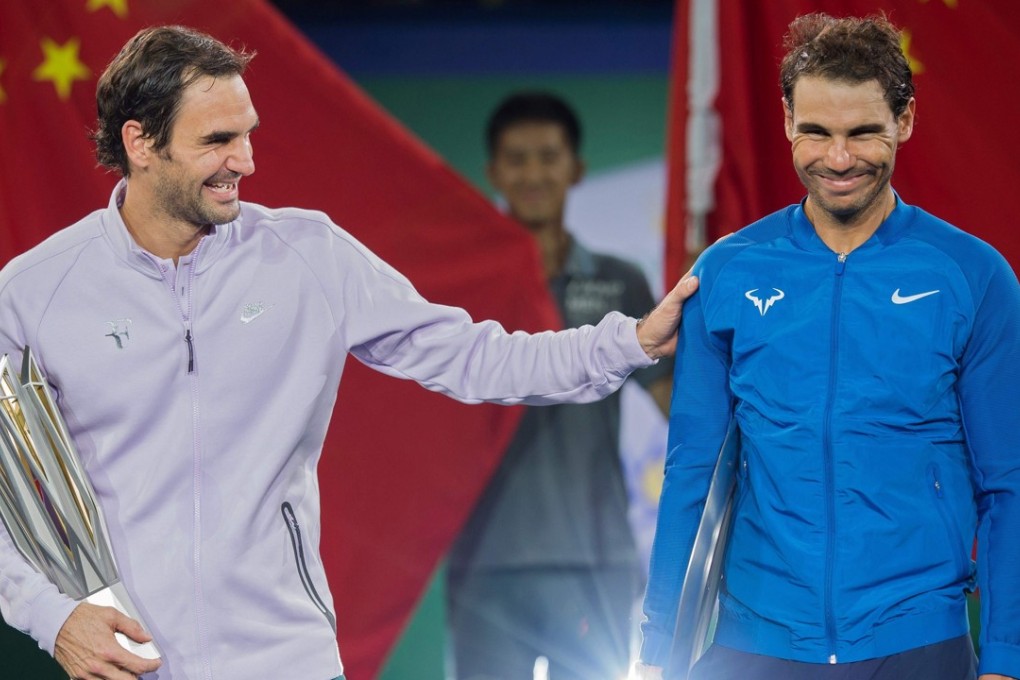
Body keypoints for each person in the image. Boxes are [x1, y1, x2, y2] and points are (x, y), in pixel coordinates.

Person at [0, 26, 699, 680]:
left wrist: (627, 342)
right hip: (132, 663)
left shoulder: (309, 254)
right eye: (218, 140)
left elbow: (477, 357)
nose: (245, 161)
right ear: (141, 142)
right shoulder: (36, 291)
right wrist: (51, 615)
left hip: (290, 662)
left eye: (248, 135)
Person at [634, 12, 1019, 680]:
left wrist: (1006, 660)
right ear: (786, 120)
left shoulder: (974, 276)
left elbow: (1007, 486)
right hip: (753, 643)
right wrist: (658, 654)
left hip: (917, 642)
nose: (838, 159)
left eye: (863, 132)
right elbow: (693, 477)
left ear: (905, 120)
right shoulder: (728, 272)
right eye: (816, 131)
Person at [445, 92, 672, 680]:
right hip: (486, 560)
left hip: (595, 558)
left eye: (548, 156)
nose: (534, 173)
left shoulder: (621, 282)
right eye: (517, 159)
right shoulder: (462, 285)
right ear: (494, 172)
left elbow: (676, 402)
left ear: (576, 168)